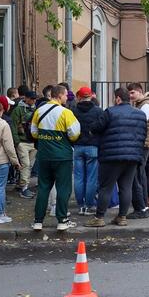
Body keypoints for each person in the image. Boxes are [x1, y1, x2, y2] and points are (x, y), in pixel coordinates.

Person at [85, 87, 147, 227]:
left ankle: (99, 218)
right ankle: (122, 217)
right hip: (133, 156)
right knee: (126, 187)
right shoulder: (140, 114)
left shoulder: (110, 112)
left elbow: (96, 128)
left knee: (106, 187)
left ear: (118, 98)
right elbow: (143, 135)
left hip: (111, 156)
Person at [31, 84, 81, 231]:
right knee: (63, 188)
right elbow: (75, 134)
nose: (67, 97)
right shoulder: (66, 113)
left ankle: (38, 221)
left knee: (43, 188)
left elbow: (34, 132)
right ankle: (62, 220)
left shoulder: (39, 111)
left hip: (44, 155)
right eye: (66, 95)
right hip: (62, 157)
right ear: (59, 96)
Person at [71, 87, 103, 216]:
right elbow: (102, 128)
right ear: (91, 96)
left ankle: (80, 205)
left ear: (78, 97)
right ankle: (89, 205)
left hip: (77, 146)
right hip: (93, 147)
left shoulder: (73, 111)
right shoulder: (98, 111)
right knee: (91, 178)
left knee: (78, 177)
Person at [127, 82, 149, 219]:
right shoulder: (142, 105)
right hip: (143, 143)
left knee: (138, 175)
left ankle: (142, 207)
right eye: (129, 93)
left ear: (140, 92)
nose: (130, 95)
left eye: (132, 92)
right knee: (140, 174)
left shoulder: (146, 105)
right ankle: (143, 205)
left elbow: (138, 122)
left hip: (143, 144)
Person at [10, 90, 37, 199]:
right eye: (32, 98)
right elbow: (13, 126)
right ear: (26, 98)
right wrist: (17, 142)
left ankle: (20, 184)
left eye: (35, 98)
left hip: (33, 142)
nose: (34, 100)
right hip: (22, 142)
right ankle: (24, 188)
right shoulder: (18, 110)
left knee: (29, 165)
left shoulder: (35, 109)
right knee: (25, 164)